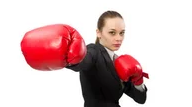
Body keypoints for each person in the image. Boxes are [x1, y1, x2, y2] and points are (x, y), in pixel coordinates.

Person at [20, 11, 149, 107]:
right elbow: (82, 62)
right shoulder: (93, 51)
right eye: (112, 32)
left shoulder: (121, 62)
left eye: (122, 33)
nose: (118, 38)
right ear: (99, 33)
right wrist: (69, 54)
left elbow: (141, 99)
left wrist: (139, 81)